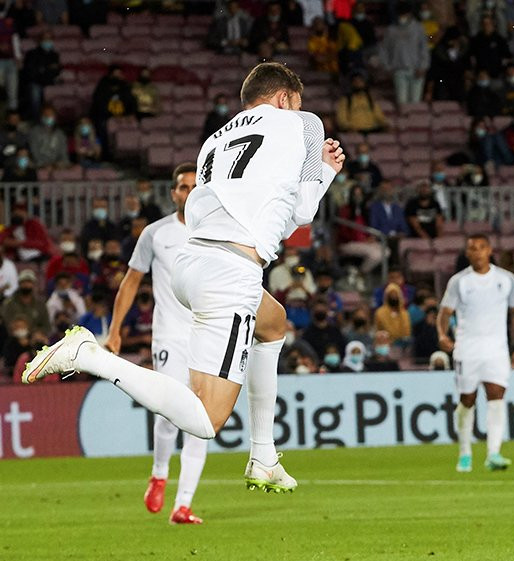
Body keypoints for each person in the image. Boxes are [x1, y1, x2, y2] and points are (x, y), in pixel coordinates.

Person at [25, 63, 345, 496]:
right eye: (297, 103)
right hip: (230, 273)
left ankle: (263, 454)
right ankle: (89, 355)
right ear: (285, 98)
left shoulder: (217, 138)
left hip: (191, 263)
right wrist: (324, 171)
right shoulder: (297, 123)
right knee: (206, 420)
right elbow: (301, 214)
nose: (300, 111)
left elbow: (265, 216)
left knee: (273, 322)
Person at [103, 163, 207, 524]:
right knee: (169, 412)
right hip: (170, 335)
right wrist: (115, 329)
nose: (189, 192)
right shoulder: (155, 233)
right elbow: (131, 281)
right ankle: (159, 472)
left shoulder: (219, 231)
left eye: (196, 186)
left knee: (201, 418)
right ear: (173, 193)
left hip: (209, 336)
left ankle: (183, 505)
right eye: (183, 187)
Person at [438, 234, 514, 473]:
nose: (477, 252)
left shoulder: (506, 279)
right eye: (472, 249)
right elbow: (445, 312)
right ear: (467, 254)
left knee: (496, 396)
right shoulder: (459, 281)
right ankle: (465, 452)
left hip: (497, 348)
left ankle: (493, 453)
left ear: (489, 250)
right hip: (467, 349)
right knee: (467, 400)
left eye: (481, 248)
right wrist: (442, 334)